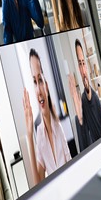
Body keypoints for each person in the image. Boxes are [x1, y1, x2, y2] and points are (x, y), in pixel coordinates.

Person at [22, 48, 71, 183]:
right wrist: (29, 135)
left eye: (40, 80)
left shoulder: (60, 127)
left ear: (47, 86)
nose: (38, 89)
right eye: (34, 82)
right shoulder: (40, 135)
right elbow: (38, 184)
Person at [69, 37, 101, 150]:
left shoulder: (93, 97)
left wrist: (87, 88)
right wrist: (80, 118)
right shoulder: (82, 99)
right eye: (80, 64)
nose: (83, 68)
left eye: (84, 63)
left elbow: (89, 92)